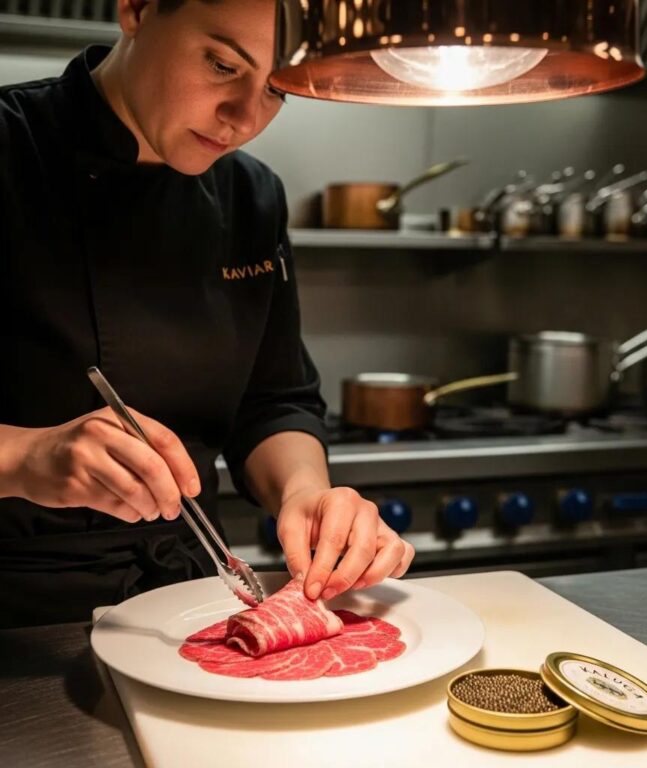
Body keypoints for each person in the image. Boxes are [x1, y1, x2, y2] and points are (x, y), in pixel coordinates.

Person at [0, 0, 414, 628]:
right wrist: (26, 459)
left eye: (276, 91)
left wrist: (304, 492)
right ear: (136, 8)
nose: (245, 119)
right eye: (223, 65)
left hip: (185, 600)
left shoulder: (251, 196)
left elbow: (273, 400)